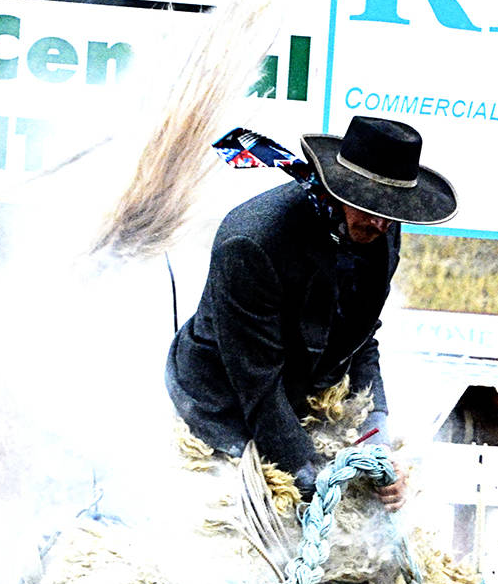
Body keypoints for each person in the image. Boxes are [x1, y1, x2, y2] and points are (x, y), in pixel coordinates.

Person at [165, 116, 457, 506]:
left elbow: (363, 340)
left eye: (391, 209)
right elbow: (258, 383)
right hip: (222, 403)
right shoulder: (251, 242)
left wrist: (377, 442)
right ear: (337, 190)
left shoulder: (379, 229)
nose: (381, 222)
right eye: (369, 206)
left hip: (300, 393)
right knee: (233, 520)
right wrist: (310, 478)